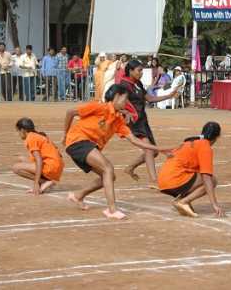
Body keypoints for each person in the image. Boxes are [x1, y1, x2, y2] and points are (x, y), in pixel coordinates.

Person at [62, 85, 172, 219]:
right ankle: (112, 210)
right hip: (77, 141)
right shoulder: (100, 107)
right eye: (125, 99)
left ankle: (78, 195)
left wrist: (160, 149)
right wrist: (65, 134)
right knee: (108, 168)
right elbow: (70, 112)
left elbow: (135, 140)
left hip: (86, 146)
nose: (126, 103)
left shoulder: (118, 120)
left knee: (109, 176)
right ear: (117, 96)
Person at [117, 60, 179, 188]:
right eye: (139, 71)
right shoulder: (124, 85)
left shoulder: (137, 83)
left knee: (153, 152)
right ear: (130, 71)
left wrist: (169, 96)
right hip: (133, 122)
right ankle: (153, 181)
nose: (141, 73)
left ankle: (130, 168)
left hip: (143, 121)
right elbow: (116, 104)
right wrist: (125, 113)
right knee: (149, 150)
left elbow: (149, 98)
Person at [157, 122, 224, 218]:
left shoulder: (190, 142)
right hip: (173, 180)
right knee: (212, 180)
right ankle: (183, 202)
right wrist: (214, 204)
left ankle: (183, 201)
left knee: (195, 175)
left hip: (163, 181)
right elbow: (206, 177)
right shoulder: (205, 146)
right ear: (217, 137)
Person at [11, 118, 62, 195]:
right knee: (22, 158)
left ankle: (45, 182)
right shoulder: (38, 135)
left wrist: (36, 183)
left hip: (51, 167)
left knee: (16, 168)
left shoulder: (31, 138)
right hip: (56, 166)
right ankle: (45, 182)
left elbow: (39, 160)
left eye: (18, 131)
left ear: (23, 130)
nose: (18, 133)